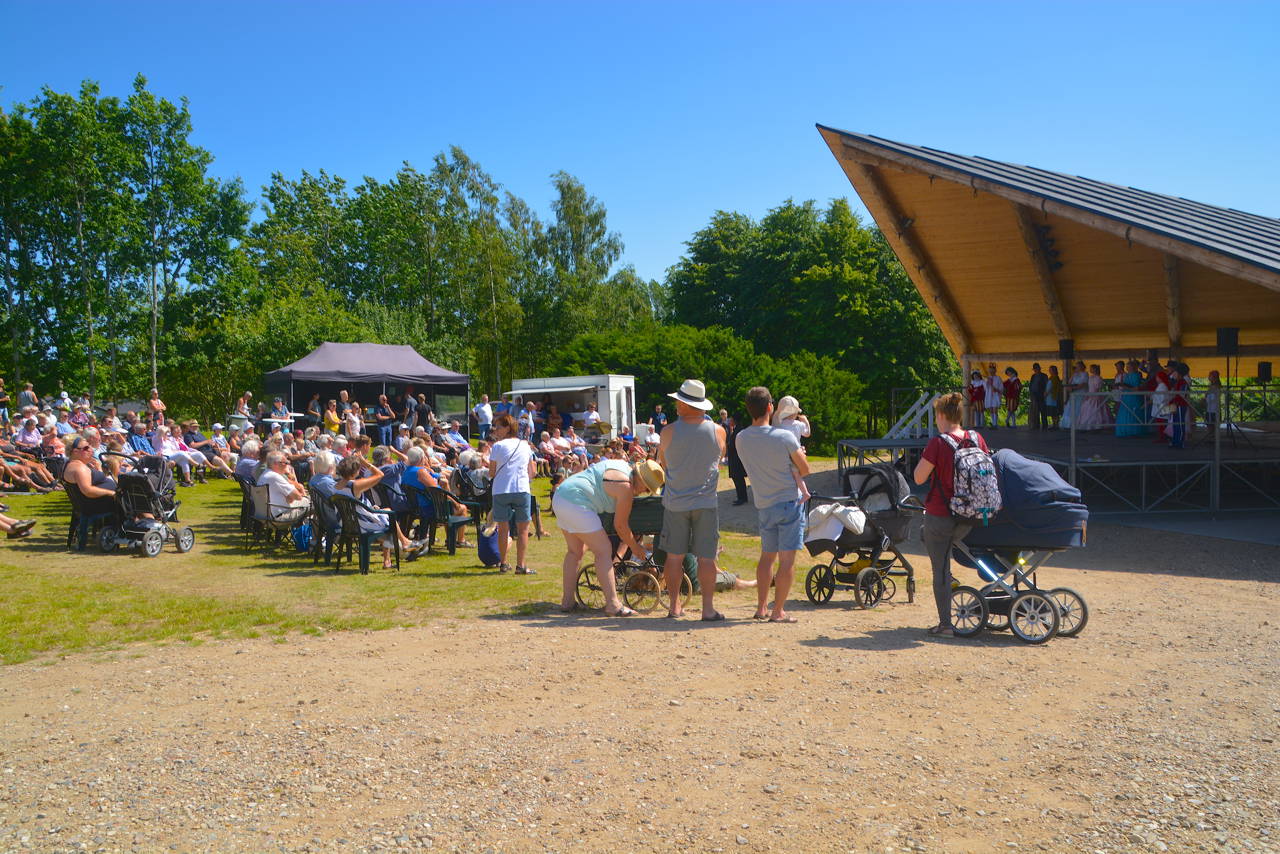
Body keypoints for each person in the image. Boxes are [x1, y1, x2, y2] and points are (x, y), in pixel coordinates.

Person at [913, 392, 989, 638]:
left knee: (940, 569)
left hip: (941, 514)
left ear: (941, 415)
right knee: (933, 541)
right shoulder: (976, 438)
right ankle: (952, 582)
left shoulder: (938, 443)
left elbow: (919, 478)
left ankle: (945, 625)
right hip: (971, 516)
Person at [552, 457, 663, 617]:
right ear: (640, 478)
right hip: (577, 502)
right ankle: (612, 604)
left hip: (561, 497)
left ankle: (567, 601)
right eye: (646, 488)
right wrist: (635, 546)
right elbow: (621, 526)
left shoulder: (621, 466)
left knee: (575, 552)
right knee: (604, 550)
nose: (645, 492)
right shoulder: (625, 487)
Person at [736, 386, 810, 623]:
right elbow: (804, 469)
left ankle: (761, 608)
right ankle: (778, 611)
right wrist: (799, 456)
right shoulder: (784, 437)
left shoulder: (741, 438)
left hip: (764, 503)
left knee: (767, 557)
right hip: (788, 502)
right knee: (787, 561)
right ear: (770, 407)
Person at [657, 379, 726, 621]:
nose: (676, 404)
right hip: (706, 502)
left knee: (674, 556)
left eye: (679, 401)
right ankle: (708, 609)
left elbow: (663, 464)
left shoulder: (668, 432)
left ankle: (674, 606)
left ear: (686, 405)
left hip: (676, 502)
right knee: (707, 558)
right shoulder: (718, 431)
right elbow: (719, 459)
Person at [332, 455, 423, 569]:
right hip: (362, 524)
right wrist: (366, 463)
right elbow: (380, 474)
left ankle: (393, 554)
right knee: (389, 517)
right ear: (354, 471)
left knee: (386, 513)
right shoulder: (355, 485)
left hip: (346, 524)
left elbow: (353, 505)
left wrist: (370, 507)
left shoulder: (335, 486)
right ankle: (403, 544)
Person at [487, 412, 536, 574]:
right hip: (521, 488)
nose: (495, 430)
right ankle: (520, 565)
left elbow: (492, 472)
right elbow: (532, 472)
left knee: (503, 529)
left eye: (498, 427)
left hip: (501, 489)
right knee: (523, 530)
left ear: (507, 428)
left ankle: (503, 563)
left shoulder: (497, 446)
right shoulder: (525, 445)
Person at [62, 435, 117, 518]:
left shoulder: (71, 464)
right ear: (75, 451)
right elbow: (88, 491)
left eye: (90, 447)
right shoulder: (79, 468)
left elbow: (99, 481)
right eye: (86, 448)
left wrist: (98, 469)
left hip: (91, 504)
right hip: (99, 505)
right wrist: (112, 493)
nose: (91, 450)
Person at [256, 450, 310, 524]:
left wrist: (290, 497)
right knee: (313, 503)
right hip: (278, 517)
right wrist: (294, 495)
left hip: (264, 516)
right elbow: (298, 497)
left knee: (306, 502)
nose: (288, 465)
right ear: (276, 464)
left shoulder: (265, 474)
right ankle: (314, 530)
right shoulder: (275, 477)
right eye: (285, 463)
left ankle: (304, 528)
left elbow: (291, 498)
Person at [1074, 364, 1112, 431]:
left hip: (1095, 395)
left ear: (1094, 369)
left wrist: (1093, 395)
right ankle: (1087, 425)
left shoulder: (1098, 378)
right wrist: (1087, 395)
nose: (1090, 370)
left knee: (1096, 409)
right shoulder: (1090, 377)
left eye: (1091, 368)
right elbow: (1090, 387)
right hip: (1090, 394)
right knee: (1087, 409)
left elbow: (1097, 388)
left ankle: (1097, 425)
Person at [1115, 359, 1147, 437]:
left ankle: (1133, 430)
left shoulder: (1136, 375)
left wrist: (1124, 386)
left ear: (1133, 367)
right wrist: (1122, 384)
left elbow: (1135, 387)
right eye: (1127, 367)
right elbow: (1128, 384)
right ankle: (1125, 430)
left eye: (1129, 367)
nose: (1127, 368)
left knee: (1133, 412)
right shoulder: (1128, 375)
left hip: (1133, 396)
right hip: (1126, 396)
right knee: (1125, 412)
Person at [1027, 363, 1047, 431]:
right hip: (1034, 395)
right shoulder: (1033, 376)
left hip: (1041, 395)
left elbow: (1046, 385)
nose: (1036, 370)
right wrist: (1031, 393)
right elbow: (1031, 385)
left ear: (1039, 368)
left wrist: (1044, 393)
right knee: (1035, 411)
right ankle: (1036, 425)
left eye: (1037, 368)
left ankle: (1045, 425)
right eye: (1035, 369)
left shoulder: (1044, 376)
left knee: (1043, 410)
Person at [983, 363, 1003, 430]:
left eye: (992, 370)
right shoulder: (987, 379)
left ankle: (995, 424)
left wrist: (996, 389)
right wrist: (987, 383)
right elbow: (985, 388)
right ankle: (993, 423)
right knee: (991, 410)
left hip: (995, 395)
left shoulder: (998, 378)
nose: (991, 372)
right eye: (990, 370)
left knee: (995, 409)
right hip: (989, 395)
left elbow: (1001, 387)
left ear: (995, 371)